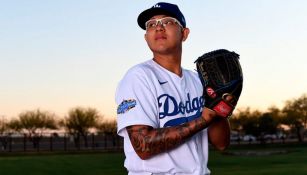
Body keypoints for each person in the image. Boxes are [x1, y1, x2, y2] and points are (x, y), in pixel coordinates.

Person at [115, 2, 230, 175]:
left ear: (184, 33)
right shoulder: (138, 77)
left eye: (167, 21)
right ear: (146, 38)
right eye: (151, 24)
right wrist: (204, 120)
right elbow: (144, 145)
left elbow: (221, 144)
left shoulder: (199, 80)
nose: (158, 28)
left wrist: (221, 108)